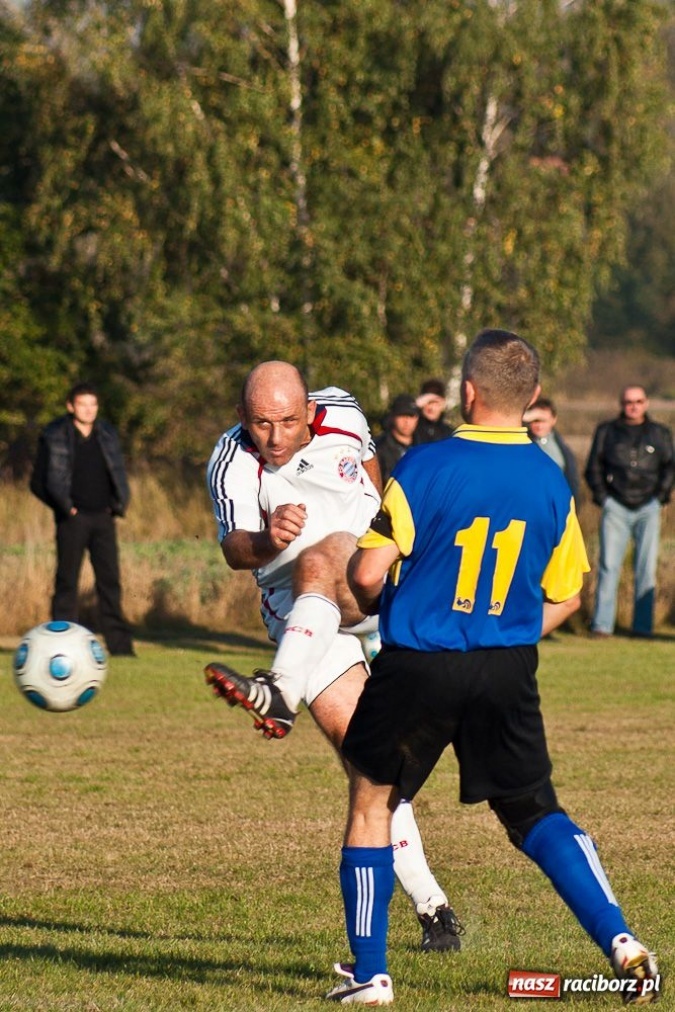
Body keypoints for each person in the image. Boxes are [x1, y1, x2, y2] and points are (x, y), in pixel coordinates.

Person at [325, 330, 658, 1005]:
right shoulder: (550, 480)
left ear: (468, 393)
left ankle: (370, 975)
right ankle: (621, 941)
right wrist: (504, 632)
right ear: (532, 397)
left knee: (373, 799)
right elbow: (568, 595)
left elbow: (365, 573)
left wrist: (372, 602)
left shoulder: (423, 465)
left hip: (419, 662)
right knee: (534, 810)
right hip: (505, 667)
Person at [205, 361, 462, 952]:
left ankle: (280, 689)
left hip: (376, 584)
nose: (273, 437)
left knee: (331, 552)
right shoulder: (230, 457)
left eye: (286, 422)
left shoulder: (344, 411)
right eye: (260, 424)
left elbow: (373, 477)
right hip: (300, 613)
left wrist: (387, 534)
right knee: (369, 762)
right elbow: (233, 548)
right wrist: (267, 538)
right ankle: (434, 908)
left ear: (310, 411)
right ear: (242, 416)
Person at [30, 382, 135, 657]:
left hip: (104, 518)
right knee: (67, 582)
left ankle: (121, 648)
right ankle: (60, 645)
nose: (89, 410)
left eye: (93, 404)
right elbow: (38, 483)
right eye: (82, 404)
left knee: (110, 582)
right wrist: (66, 509)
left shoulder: (107, 434)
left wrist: (116, 505)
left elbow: (118, 472)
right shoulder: (53, 435)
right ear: (70, 406)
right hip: (72, 521)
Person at [584, 385, 673, 639]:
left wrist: (659, 497)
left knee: (645, 568)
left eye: (638, 401)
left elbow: (669, 467)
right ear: (621, 404)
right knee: (608, 566)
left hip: (648, 507)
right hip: (616, 506)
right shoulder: (607, 432)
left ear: (646, 403)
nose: (633, 406)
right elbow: (593, 467)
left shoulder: (660, 433)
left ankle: (642, 627)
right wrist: (604, 498)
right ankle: (602, 626)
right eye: (629, 402)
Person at [523, 396, 581, 505]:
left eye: (543, 420)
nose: (539, 425)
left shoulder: (561, 446)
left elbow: (572, 480)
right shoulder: (523, 445)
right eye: (535, 420)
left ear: (554, 420)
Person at [374, 394, 419, 485]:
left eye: (411, 416)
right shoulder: (378, 449)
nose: (406, 421)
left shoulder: (424, 446)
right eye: (402, 415)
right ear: (392, 416)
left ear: (417, 418)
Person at [414, 378, 454, 444]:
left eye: (435, 403)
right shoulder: (411, 429)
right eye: (428, 403)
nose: (431, 408)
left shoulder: (449, 433)